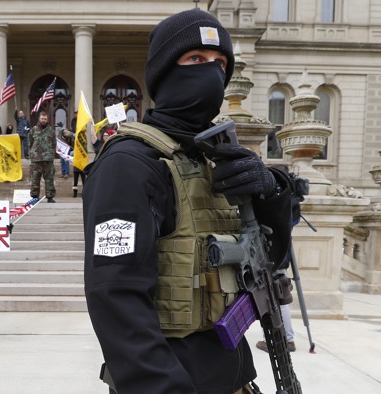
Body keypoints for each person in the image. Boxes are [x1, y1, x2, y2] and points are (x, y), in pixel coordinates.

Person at [82, 9, 296, 393]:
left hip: (233, 377)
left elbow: (271, 258)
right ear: (164, 73)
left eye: (220, 63)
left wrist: (269, 193)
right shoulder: (129, 164)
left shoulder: (213, 158)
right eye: (195, 59)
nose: (211, 73)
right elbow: (115, 299)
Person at [29, 111, 57, 203]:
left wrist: (50, 153)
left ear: (47, 119)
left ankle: (50, 197)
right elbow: (30, 142)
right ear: (39, 119)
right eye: (42, 119)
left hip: (48, 159)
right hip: (36, 159)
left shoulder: (51, 131)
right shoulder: (33, 130)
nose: (43, 120)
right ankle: (34, 196)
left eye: (45, 119)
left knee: (49, 178)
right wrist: (33, 152)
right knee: (35, 178)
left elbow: (54, 144)